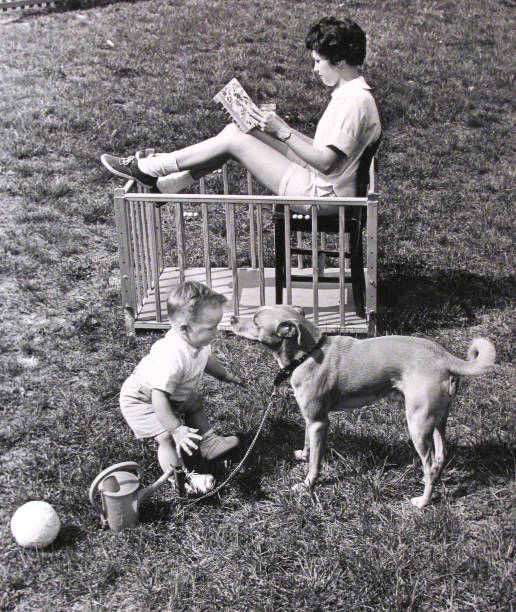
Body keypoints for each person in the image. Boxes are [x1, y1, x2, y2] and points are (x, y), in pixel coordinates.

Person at [101, 16, 381, 215]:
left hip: (324, 198)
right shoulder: (353, 95)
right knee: (239, 131)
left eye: (318, 61)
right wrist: (272, 129)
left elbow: (328, 164)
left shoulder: (353, 102)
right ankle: (165, 183)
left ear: (340, 60)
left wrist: (283, 132)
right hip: (326, 187)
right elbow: (324, 153)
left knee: (236, 140)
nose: (315, 69)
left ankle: (150, 169)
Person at [119, 281, 243, 495]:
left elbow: (207, 359)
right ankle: (181, 479)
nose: (216, 331)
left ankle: (209, 443)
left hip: (171, 396)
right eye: (211, 327)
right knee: (166, 437)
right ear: (185, 329)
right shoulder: (172, 358)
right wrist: (176, 429)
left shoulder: (198, 342)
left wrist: (225, 375)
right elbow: (159, 398)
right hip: (142, 401)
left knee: (195, 401)